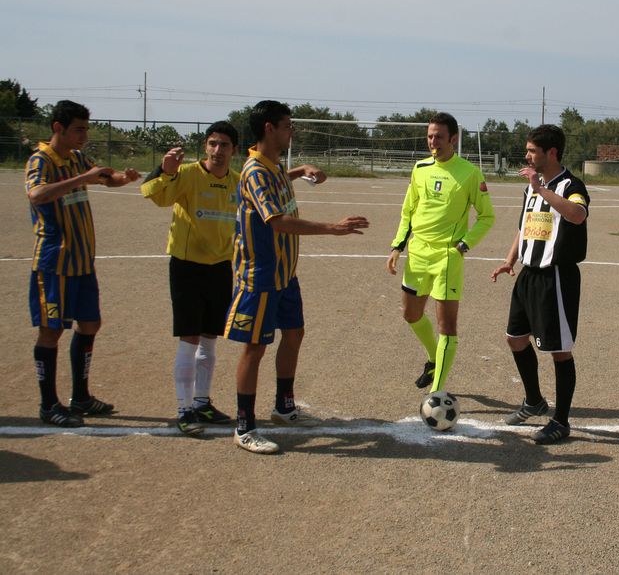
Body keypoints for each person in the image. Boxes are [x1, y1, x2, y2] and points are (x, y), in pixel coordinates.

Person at [225, 101, 369, 454]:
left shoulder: (273, 165)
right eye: (288, 125)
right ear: (269, 128)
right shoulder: (255, 171)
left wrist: (301, 169)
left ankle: (284, 407)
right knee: (255, 347)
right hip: (260, 275)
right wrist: (332, 228)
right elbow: (278, 221)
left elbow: (278, 180)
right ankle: (244, 426)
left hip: (284, 273)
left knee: (294, 333)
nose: (293, 131)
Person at [25, 100, 140, 427]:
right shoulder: (41, 159)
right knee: (51, 331)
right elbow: (37, 195)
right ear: (57, 128)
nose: (84, 136)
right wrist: (81, 179)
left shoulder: (76, 158)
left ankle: (81, 397)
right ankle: (49, 404)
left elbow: (105, 177)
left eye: (86, 129)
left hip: (82, 261)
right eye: (79, 129)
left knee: (90, 324)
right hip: (55, 261)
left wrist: (123, 178)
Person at [141, 121, 241, 435]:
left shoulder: (237, 181)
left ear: (234, 150)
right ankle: (184, 410)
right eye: (212, 143)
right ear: (205, 146)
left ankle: (201, 402)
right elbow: (152, 194)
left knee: (210, 338)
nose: (217, 150)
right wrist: (165, 170)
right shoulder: (187, 174)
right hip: (187, 267)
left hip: (220, 267)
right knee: (189, 339)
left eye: (224, 145)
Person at [491, 125, 589, 444]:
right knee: (515, 338)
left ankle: (561, 421)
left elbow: (578, 214)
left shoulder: (571, 185)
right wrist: (509, 260)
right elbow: (525, 227)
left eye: (533, 151)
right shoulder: (532, 187)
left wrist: (542, 189)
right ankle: (534, 401)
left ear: (552, 153)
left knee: (559, 350)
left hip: (555, 276)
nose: (527, 156)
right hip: (529, 274)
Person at [387, 112, 495, 394]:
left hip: (447, 258)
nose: (433, 142)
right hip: (417, 254)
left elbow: (487, 216)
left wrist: (464, 245)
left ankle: (436, 392)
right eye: (430, 136)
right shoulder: (420, 168)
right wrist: (398, 245)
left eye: (439, 137)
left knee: (446, 326)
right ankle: (434, 359)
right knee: (410, 314)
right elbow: (408, 210)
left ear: (453, 139)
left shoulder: (469, 173)